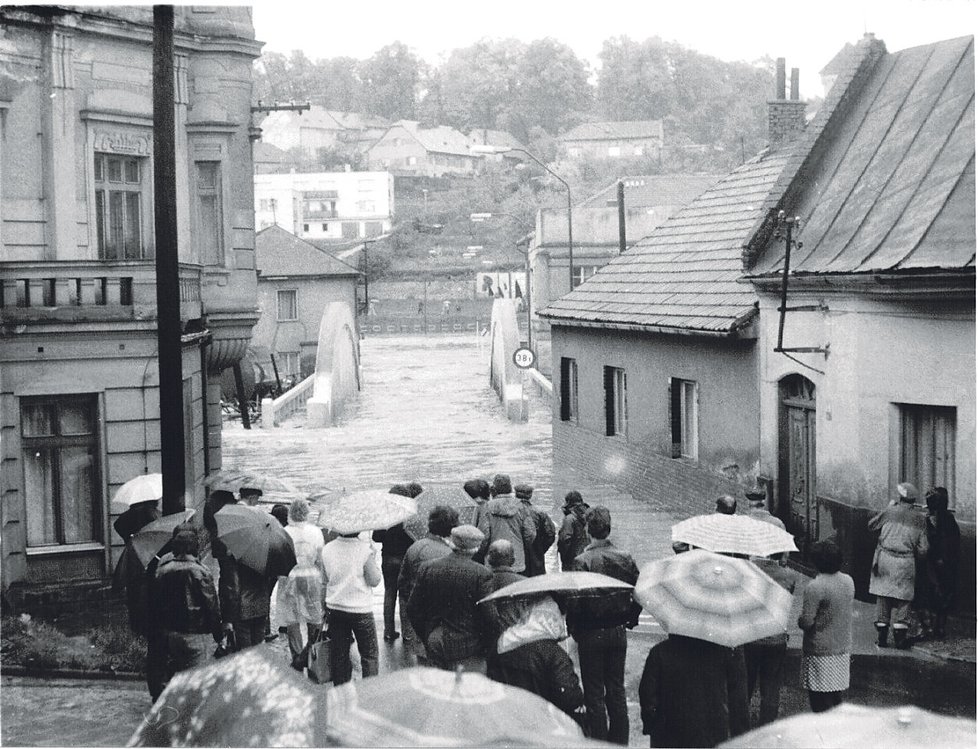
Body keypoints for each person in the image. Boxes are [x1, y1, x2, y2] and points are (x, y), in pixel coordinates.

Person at [569, 506, 640, 745]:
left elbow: (576, 602)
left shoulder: (582, 561)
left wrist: (575, 630)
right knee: (616, 688)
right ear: (609, 528)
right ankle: (620, 741)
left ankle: (599, 742)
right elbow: (638, 592)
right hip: (618, 631)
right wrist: (631, 617)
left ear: (588, 529)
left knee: (594, 691)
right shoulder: (625, 557)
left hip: (590, 633)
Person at [639, 634, 749, 748]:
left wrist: (652, 726)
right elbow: (738, 701)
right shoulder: (724, 653)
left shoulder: (659, 652)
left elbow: (647, 696)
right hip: (711, 735)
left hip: (668, 733)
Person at [407, 525, 493, 672]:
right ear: (476, 548)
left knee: (437, 690)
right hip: (469, 646)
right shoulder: (482, 574)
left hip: (435, 641)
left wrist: (427, 635)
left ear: (451, 542)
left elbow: (412, 608)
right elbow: (489, 616)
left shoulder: (427, 568)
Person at [487, 595, 585, 720]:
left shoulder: (503, 641)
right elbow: (569, 697)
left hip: (508, 716)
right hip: (541, 720)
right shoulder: (554, 653)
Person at [152, 529, 223, 685]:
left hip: (171, 633)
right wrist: (218, 634)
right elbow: (211, 607)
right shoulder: (201, 572)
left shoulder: (163, 570)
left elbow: (156, 604)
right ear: (195, 547)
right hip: (196, 633)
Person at [868, 482, 928, 649]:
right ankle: (900, 637)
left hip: (885, 558)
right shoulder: (920, 519)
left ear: (900, 497)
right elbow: (924, 549)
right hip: (905, 562)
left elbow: (871, 525)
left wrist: (886, 509)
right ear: (914, 500)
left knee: (883, 595)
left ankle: (881, 636)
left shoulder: (889, 512)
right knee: (904, 598)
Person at [397, 505, 459, 661]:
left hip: (419, 611)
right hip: (443, 617)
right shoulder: (449, 553)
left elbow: (402, 581)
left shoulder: (415, 547)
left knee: (423, 659)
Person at [798, 539, 853, 713]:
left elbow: (807, 622)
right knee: (836, 698)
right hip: (841, 647)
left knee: (819, 701)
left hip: (820, 650)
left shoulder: (815, 586)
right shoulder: (848, 581)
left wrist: (799, 620)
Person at [320, 529, 381, 685]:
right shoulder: (364, 550)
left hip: (336, 608)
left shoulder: (327, 549)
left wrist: (324, 606)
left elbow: (324, 581)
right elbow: (374, 580)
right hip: (361, 610)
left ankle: (342, 693)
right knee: (369, 655)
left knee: (339, 655)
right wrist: (374, 558)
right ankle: (370, 692)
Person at [744, 553, 796, 726]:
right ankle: (767, 724)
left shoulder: (749, 572)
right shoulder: (788, 575)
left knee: (746, 682)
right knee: (771, 684)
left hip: (751, 636)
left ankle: (741, 722)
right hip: (776, 637)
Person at [279, 498, 325, 669]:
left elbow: (280, 558)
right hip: (311, 576)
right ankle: (311, 650)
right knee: (314, 615)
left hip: (290, 577)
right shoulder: (316, 532)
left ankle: (297, 655)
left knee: (292, 618)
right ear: (307, 513)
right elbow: (320, 559)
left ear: (290, 513)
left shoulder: (283, 532)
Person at [373, 485, 415, 643]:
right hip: (405, 558)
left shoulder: (385, 514)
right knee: (405, 595)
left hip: (388, 558)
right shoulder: (410, 514)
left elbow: (376, 537)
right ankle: (407, 633)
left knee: (389, 593)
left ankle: (388, 631)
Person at [476, 474, 536, 574]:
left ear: (494, 489)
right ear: (510, 488)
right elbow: (530, 533)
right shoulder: (521, 506)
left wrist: (482, 552)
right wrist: (521, 546)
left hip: (493, 558)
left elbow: (484, 535)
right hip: (516, 558)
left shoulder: (487, 507)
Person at [922, 487, 960, 639]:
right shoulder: (949, 519)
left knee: (934, 592)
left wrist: (939, 557)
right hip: (946, 562)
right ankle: (939, 627)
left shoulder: (936, 520)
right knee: (943, 593)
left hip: (935, 561)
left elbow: (938, 541)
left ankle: (934, 627)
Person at [515, 483, 556, 577]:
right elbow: (551, 534)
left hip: (516, 558)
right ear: (530, 495)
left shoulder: (511, 511)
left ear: (516, 494)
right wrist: (540, 549)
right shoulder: (540, 512)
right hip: (536, 558)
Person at [557, 491, 590, 571]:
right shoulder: (590, 515)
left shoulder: (569, 519)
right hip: (587, 559)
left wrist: (564, 557)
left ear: (568, 502)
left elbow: (564, 540)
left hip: (572, 561)